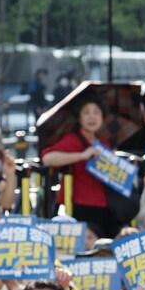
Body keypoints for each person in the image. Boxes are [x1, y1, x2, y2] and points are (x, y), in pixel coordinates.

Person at [40, 97, 120, 239]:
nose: (92, 117)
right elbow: (48, 159)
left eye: (96, 112)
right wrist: (82, 155)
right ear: (79, 118)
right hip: (79, 205)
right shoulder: (73, 139)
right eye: (86, 112)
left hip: (107, 207)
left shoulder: (104, 142)